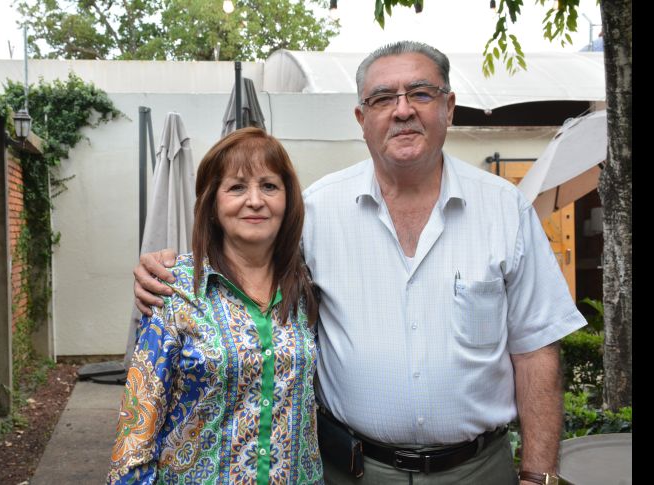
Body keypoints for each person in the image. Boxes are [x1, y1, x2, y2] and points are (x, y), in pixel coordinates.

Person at [132, 42, 586, 485]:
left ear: (449, 108)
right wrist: (168, 267)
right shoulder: (315, 212)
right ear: (361, 118)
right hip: (351, 469)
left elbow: (536, 350)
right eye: (383, 98)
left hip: (478, 470)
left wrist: (538, 475)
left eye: (421, 93)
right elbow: (244, 265)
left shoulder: (506, 210)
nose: (403, 110)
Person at [107, 127, 323, 484]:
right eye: (237, 187)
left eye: (269, 186)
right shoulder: (173, 290)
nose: (255, 200)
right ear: (212, 203)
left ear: (288, 201)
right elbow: (136, 432)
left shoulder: (305, 290)